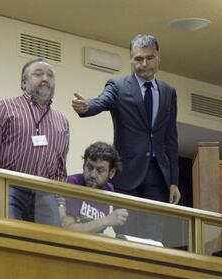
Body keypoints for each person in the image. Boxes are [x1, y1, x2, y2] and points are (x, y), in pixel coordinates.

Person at [72, 34, 180, 240]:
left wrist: (174, 180)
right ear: (131, 59)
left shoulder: (168, 92)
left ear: (158, 58)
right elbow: (101, 101)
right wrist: (86, 106)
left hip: (158, 176)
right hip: (127, 175)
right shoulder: (118, 86)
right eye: (138, 59)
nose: (144, 64)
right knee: (127, 235)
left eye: (149, 58)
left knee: (154, 238)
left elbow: (170, 138)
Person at [0, 58, 69, 226]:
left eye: (50, 75)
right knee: (7, 236)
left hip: (45, 194)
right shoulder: (3, 107)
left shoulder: (62, 121)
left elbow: (60, 169)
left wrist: (60, 203)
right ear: (24, 83)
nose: (45, 78)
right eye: (38, 74)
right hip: (8, 186)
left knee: (53, 244)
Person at [60, 142, 128, 233]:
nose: (93, 175)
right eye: (89, 167)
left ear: (111, 172)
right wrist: (106, 221)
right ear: (84, 165)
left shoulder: (108, 190)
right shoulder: (72, 184)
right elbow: (68, 229)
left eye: (100, 170)